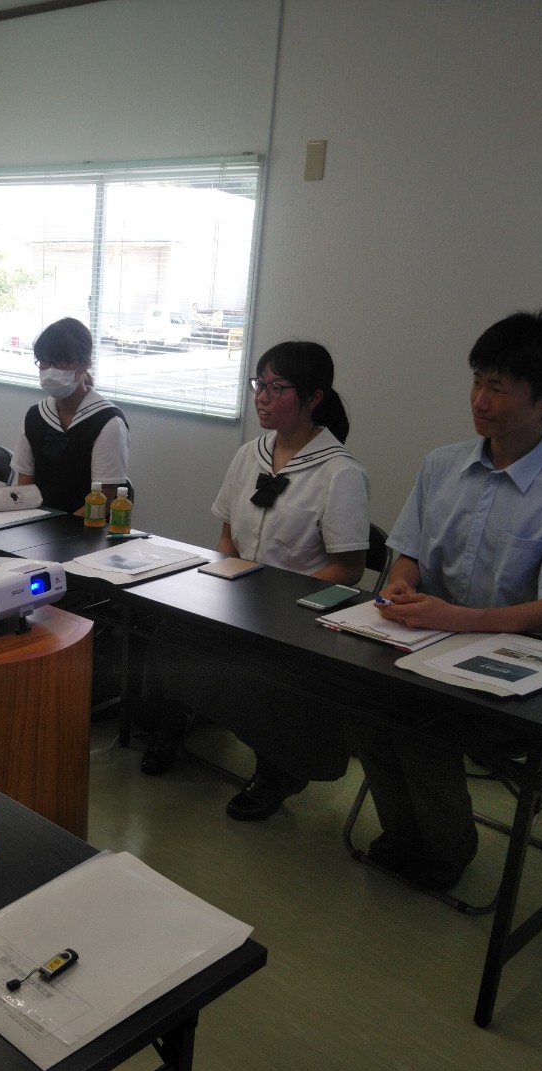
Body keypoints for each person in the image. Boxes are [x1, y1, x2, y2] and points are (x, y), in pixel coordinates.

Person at [351, 309, 542, 891]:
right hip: (429, 646)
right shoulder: (442, 465)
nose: (479, 400)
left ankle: (447, 851)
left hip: (521, 669)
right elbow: (409, 555)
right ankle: (406, 835)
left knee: (422, 729)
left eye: (498, 388)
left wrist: (458, 618)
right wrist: (400, 583)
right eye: (476, 381)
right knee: (363, 708)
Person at [139, 342, 370, 820]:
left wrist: (277, 597)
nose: (261, 397)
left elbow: (348, 568)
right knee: (169, 631)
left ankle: (278, 768)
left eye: (276, 388)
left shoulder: (340, 472)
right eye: (259, 384)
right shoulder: (250, 454)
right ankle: (171, 726)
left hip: (295, 615)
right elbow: (227, 536)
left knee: (261, 667)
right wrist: (213, 581)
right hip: (237, 596)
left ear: (313, 397)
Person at [10, 318, 129, 513]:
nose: (50, 370)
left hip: (86, 527)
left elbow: (105, 498)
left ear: (84, 364)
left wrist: (62, 527)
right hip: (36, 524)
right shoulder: (35, 415)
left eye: (61, 362)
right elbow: (24, 486)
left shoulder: (108, 422)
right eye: (44, 362)